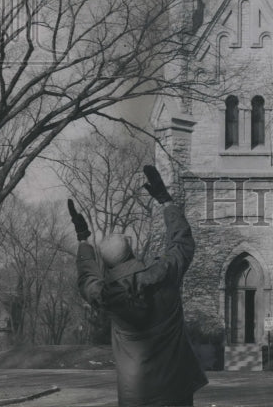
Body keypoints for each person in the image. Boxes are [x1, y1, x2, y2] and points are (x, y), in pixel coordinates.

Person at [69, 165, 207, 407]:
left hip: (136, 395)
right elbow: (182, 242)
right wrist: (166, 202)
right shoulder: (165, 275)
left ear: (108, 266)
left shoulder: (107, 296)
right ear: (131, 252)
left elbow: (87, 280)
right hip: (176, 388)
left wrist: (83, 240)